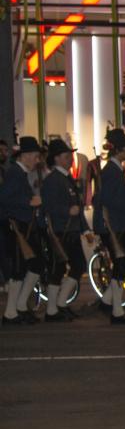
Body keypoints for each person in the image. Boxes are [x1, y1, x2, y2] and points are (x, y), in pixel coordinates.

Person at [90, 129, 125, 324]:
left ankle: (107, 302)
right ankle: (117, 312)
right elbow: (107, 199)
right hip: (113, 226)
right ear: (119, 150)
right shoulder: (111, 171)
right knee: (121, 265)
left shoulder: (114, 169)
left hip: (118, 225)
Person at [0, 135, 43, 326]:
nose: (38, 160)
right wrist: (29, 202)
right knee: (21, 269)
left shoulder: (19, 173)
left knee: (32, 265)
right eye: (35, 156)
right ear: (25, 156)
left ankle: (18, 308)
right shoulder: (15, 173)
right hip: (16, 228)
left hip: (22, 228)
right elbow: (5, 199)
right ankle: (11, 312)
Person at [38, 139, 83, 320]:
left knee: (76, 266)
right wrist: (67, 211)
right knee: (59, 269)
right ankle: (52, 309)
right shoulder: (53, 180)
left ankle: (60, 304)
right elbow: (48, 206)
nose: (70, 159)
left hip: (69, 229)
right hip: (59, 231)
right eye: (66, 156)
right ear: (56, 159)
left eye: (70, 156)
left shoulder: (65, 178)